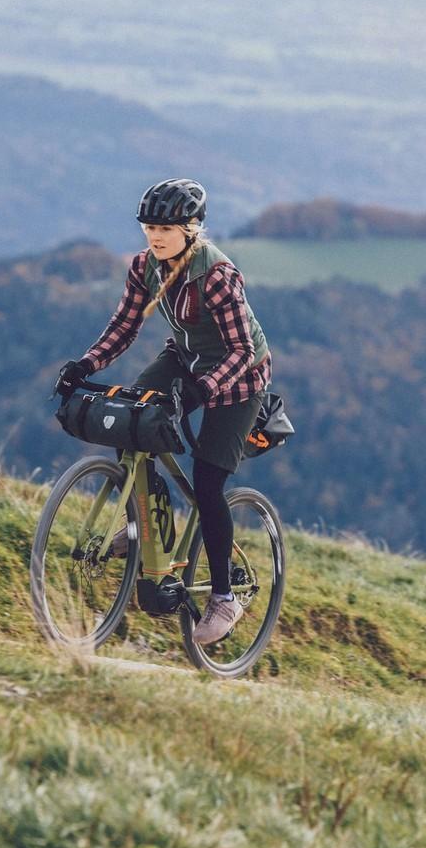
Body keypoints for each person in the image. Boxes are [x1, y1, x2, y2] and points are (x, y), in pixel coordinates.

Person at [56, 178, 271, 645]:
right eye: (149, 227)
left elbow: (239, 350)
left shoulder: (217, 276)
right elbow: (125, 324)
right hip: (187, 359)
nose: (155, 236)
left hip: (239, 375)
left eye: (166, 228)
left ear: (191, 230)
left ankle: (223, 599)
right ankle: (145, 524)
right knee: (131, 419)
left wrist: (204, 389)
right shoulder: (144, 267)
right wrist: (86, 363)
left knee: (208, 480)